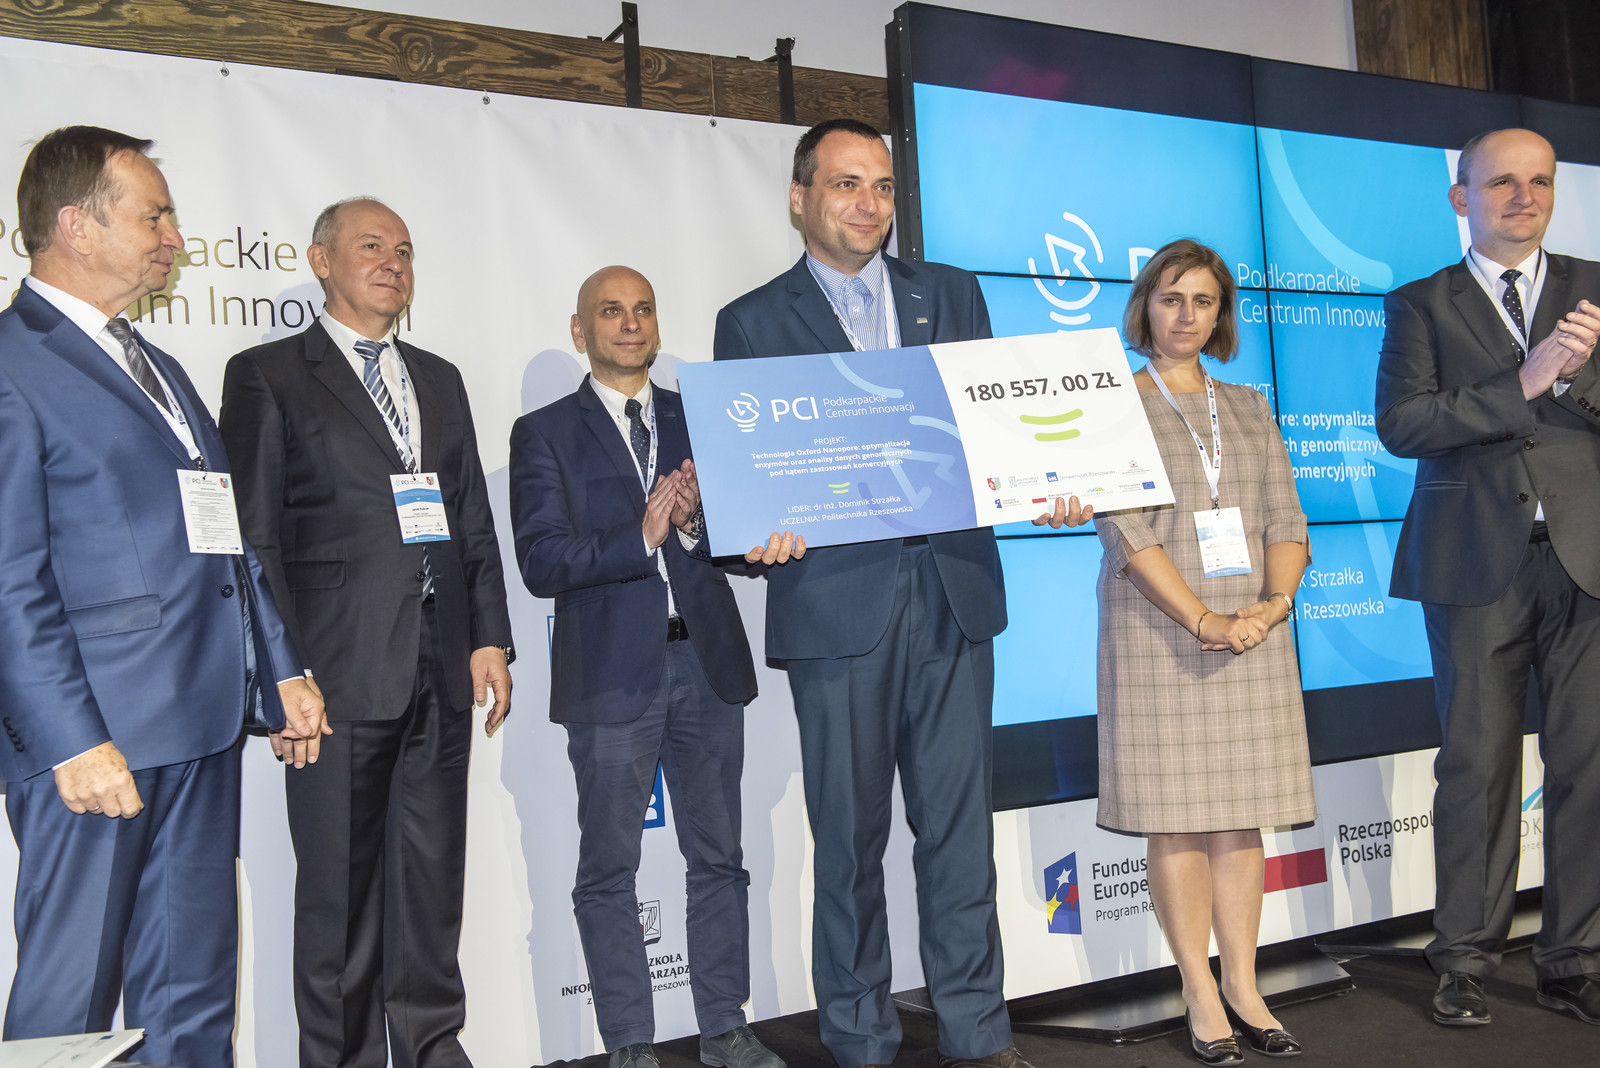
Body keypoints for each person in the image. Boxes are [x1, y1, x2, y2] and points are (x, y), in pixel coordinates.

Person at [713, 118, 1079, 1068]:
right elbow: (747, 480)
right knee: (848, 841)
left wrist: (1047, 483)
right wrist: (758, 534)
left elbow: (996, 434)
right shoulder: (751, 321)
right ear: (800, 198)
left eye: (880, 185)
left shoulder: (951, 293)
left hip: (953, 590)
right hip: (836, 605)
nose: (868, 203)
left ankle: (978, 1033)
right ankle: (861, 1038)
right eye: (845, 184)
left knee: (958, 832)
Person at [0, 124, 325, 1066]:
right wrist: (72, 740)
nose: (175, 238)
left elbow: (224, 535)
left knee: (192, 996)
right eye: (155, 216)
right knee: (69, 1009)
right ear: (77, 227)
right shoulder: (11, 365)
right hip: (94, 744)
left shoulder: (161, 368)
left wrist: (280, 670)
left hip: (201, 723)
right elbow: (9, 575)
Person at [219, 197, 515, 1066]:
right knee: (340, 899)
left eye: (406, 251)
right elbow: (253, 539)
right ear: (321, 261)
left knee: (430, 884)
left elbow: (470, 515)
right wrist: (279, 674)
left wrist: (488, 636)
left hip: (441, 663)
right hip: (333, 675)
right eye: (372, 246)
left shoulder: (440, 377)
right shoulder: (269, 374)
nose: (394, 263)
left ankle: (431, 1047)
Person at [509, 266, 780, 1068]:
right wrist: (642, 536)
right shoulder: (544, 433)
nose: (630, 323)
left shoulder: (701, 418)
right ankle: (629, 1042)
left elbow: (751, 543)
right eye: (611, 311)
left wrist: (695, 527)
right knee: (608, 868)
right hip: (609, 676)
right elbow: (541, 560)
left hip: (705, 663)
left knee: (719, 858)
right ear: (580, 330)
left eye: (643, 309)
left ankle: (725, 1025)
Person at [1375, 127, 1600, 1028]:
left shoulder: (1595, 290)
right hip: (1473, 564)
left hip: (1586, 561)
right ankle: (1465, 960)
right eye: (1502, 181)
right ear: (1461, 197)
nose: (1523, 196)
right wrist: (1529, 380)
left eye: (1539, 181)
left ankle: (1574, 959)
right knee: (1476, 767)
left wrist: (1575, 383)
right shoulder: (1420, 303)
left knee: (1588, 765)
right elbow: (1404, 424)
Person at [1086, 239, 1313, 1065]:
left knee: (1239, 815)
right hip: (1160, 634)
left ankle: (1245, 985)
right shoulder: (1112, 403)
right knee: (1176, 819)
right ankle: (1198, 988)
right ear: (1145, 305)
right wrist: (1203, 620)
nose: (1186, 315)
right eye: (1172, 298)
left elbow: (1286, 518)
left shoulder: (1248, 405)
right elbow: (1126, 530)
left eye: (1204, 301)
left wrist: (1272, 607)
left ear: (1221, 316)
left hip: (1253, 630)